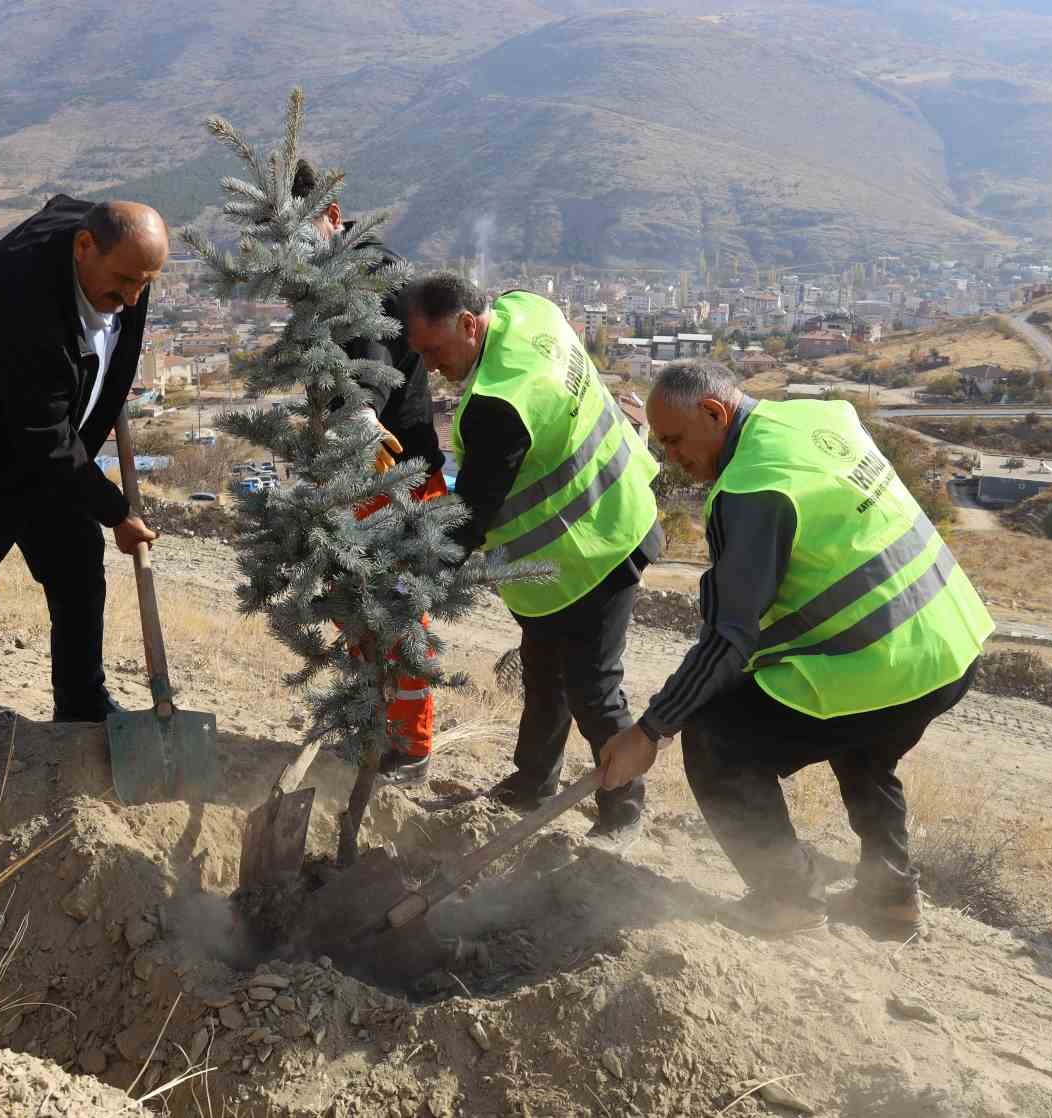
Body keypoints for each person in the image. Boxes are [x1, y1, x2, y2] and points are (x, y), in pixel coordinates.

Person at [598, 361, 993, 937]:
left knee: (715, 742)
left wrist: (651, 730)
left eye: (675, 441)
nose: (671, 458)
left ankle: (788, 900)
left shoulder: (753, 488)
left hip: (886, 661)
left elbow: (730, 638)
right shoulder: (814, 416)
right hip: (948, 643)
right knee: (863, 744)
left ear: (715, 413)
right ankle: (890, 898)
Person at [0, 196, 168, 761]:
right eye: (123, 284)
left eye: (145, 283)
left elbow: (60, 206)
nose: (134, 299)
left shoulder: (118, 260)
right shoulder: (17, 309)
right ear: (84, 248)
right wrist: (115, 511)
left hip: (46, 443)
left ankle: (81, 701)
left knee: (77, 566)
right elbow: (44, 440)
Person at [401, 271, 663, 844]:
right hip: (588, 533)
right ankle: (533, 782)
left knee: (592, 686)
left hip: (595, 547)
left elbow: (468, 519)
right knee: (544, 673)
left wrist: (409, 579)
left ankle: (624, 809)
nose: (429, 366)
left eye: (433, 349)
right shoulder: (528, 310)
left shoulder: (500, 402)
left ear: (470, 325)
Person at [292, 158, 446, 785]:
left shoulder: (362, 274)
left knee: (397, 614)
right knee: (358, 608)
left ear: (331, 216)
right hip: (357, 474)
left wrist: (357, 412)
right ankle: (371, 724)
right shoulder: (328, 274)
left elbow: (373, 362)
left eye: (300, 234)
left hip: (390, 474)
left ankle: (408, 747)